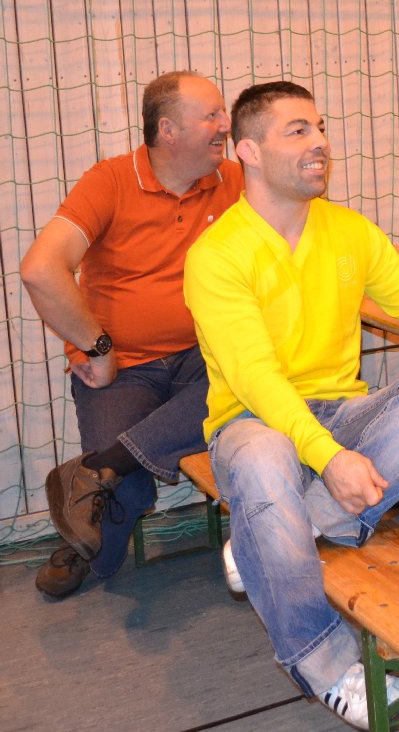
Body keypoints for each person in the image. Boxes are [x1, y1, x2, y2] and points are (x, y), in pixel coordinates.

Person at [182, 81, 399, 731]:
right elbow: (257, 380)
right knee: (263, 454)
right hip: (252, 420)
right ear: (248, 151)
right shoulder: (215, 256)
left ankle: (288, 530)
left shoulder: (348, 230)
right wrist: (331, 459)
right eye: (298, 131)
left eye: (320, 128)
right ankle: (326, 665)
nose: (320, 143)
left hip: (340, 410)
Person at [21, 71, 242, 598]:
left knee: (251, 387)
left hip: (205, 357)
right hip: (126, 368)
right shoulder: (111, 180)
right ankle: (89, 542)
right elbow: (40, 269)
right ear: (168, 129)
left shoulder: (235, 179)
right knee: (129, 492)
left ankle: (98, 469)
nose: (226, 125)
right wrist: (98, 348)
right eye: (212, 115)